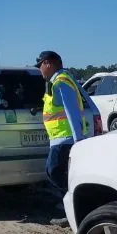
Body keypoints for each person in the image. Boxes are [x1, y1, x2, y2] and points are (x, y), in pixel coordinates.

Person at [35, 50, 94, 195]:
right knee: (57, 174)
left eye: (40, 65)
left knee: (55, 173)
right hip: (60, 140)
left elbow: (71, 111)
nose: (39, 69)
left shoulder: (61, 82)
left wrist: (78, 140)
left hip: (65, 140)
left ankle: (69, 208)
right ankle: (69, 207)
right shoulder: (57, 81)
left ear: (48, 63)